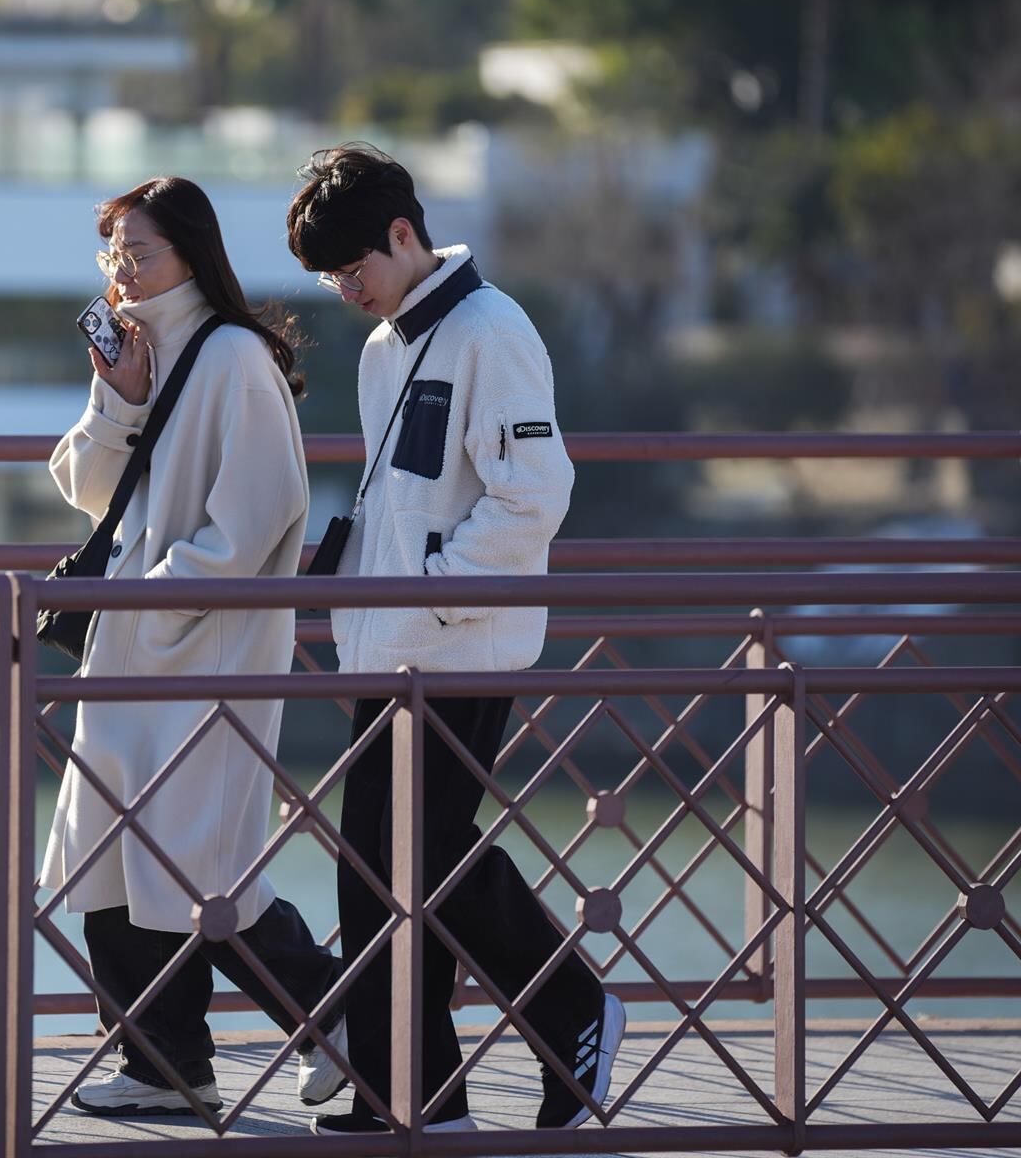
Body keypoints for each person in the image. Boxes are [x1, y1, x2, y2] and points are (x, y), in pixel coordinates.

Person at [284, 144, 624, 1136]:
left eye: (355, 269)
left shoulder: (493, 329)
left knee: (416, 858)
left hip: (459, 648)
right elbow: (407, 497)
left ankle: (571, 1007)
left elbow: (535, 495)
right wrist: (352, 576)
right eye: (331, 279)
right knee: (378, 866)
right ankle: (416, 1092)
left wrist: (428, 595)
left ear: (404, 234)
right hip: (390, 645)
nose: (347, 291)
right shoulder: (390, 346)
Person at [43, 176, 348, 1117]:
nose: (124, 274)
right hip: (140, 652)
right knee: (112, 858)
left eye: (140, 254)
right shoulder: (147, 354)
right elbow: (88, 492)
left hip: (199, 655)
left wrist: (152, 598)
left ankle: (334, 1017)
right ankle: (163, 1062)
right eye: (113, 256)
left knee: (195, 868)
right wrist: (118, 401)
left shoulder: (231, 358)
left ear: (190, 254)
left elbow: (261, 515)